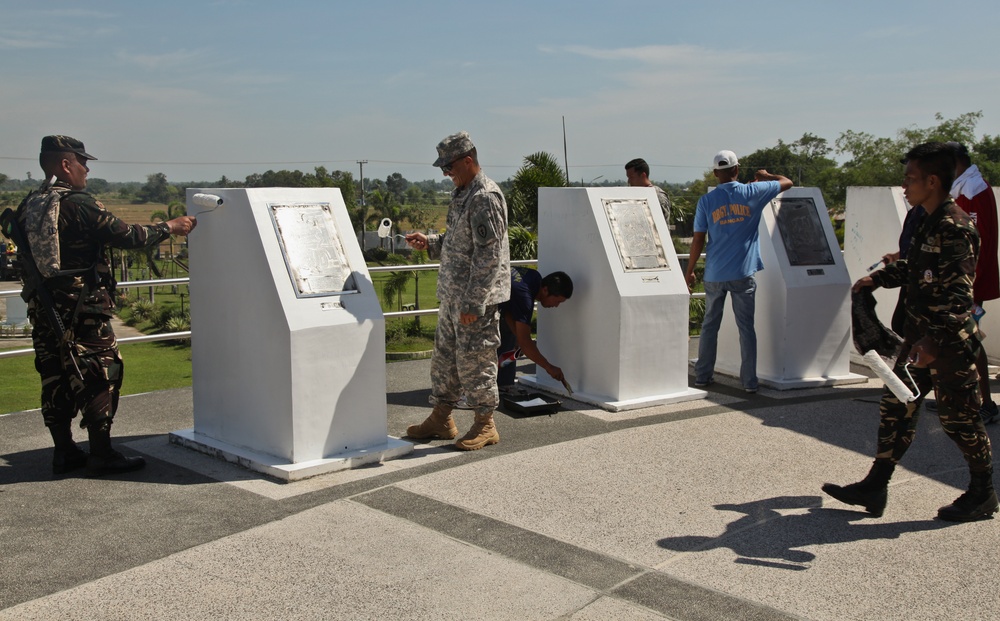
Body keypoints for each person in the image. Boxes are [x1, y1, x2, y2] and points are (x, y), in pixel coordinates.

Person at [823, 142, 997, 522]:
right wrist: (875, 280)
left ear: (932, 181)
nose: (904, 185)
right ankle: (875, 486)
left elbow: (958, 297)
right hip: (919, 341)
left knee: (960, 421)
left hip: (947, 344)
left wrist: (935, 342)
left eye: (911, 178)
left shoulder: (955, 227)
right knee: (895, 409)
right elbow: (915, 269)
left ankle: (983, 494)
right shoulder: (925, 220)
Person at [16, 136, 197, 477]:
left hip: (44, 311)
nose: (86, 169)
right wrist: (170, 228)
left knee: (54, 375)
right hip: (82, 311)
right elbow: (127, 235)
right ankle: (101, 454)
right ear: (65, 165)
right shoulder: (78, 203)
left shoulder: (30, 203)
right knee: (101, 373)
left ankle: (65, 451)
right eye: (82, 162)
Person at [403, 131, 510, 450]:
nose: (445, 172)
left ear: (467, 160)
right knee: (445, 360)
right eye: (441, 167)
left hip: (476, 301)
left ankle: (485, 423)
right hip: (453, 296)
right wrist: (433, 242)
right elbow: (461, 242)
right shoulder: (462, 193)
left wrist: (474, 302)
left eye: (448, 165)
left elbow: (489, 255)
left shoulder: (485, 196)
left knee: (476, 361)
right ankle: (441, 418)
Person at [683, 150, 793, 393]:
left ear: (715, 174)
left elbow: (698, 240)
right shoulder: (753, 191)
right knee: (746, 328)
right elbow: (788, 182)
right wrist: (766, 175)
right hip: (743, 273)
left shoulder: (706, 201)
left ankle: (702, 376)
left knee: (709, 325)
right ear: (737, 170)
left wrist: (690, 271)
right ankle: (749, 382)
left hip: (713, 273)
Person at [948, 142, 1000, 424]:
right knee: (959, 340)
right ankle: (958, 400)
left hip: (969, 281)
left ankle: (987, 404)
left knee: (971, 339)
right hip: (962, 279)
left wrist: (968, 283)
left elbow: (976, 242)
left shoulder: (974, 190)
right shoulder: (965, 187)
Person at [497, 268, 573, 392]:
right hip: (477, 306)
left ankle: (503, 386)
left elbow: (508, 312)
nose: (556, 305)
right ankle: (472, 393)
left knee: (514, 341)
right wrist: (549, 367)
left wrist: (518, 337)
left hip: (496, 305)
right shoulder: (524, 295)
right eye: (557, 301)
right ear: (545, 290)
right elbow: (526, 342)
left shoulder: (534, 278)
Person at [625, 158, 671, 226]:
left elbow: (662, 226)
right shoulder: (633, 196)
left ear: (643, 175)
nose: (629, 181)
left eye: (631, 177)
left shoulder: (658, 196)